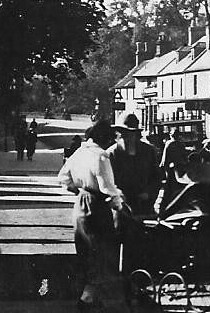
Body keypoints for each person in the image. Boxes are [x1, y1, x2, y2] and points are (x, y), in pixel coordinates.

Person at [57, 120, 126, 312]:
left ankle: (89, 297)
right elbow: (107, 188)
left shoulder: (79, 152)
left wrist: (77, 190)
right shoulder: (101, 156)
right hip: (96, 207)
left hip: (80, 205)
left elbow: (63, 177)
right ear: (103, 139)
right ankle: (88, 299)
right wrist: (119, 205)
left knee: (85, 252)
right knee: (101, 252)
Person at [107, 113, 160, 217]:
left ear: (136, 134)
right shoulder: (111, 154)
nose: (126, 138)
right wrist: (118, 194)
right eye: (123, 134)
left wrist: (148, 193)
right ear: (118, 135)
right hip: (121, 207)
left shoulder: (148, 151)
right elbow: (107, 181)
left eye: (130, 134)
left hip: (145, 205)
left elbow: (157, 177)